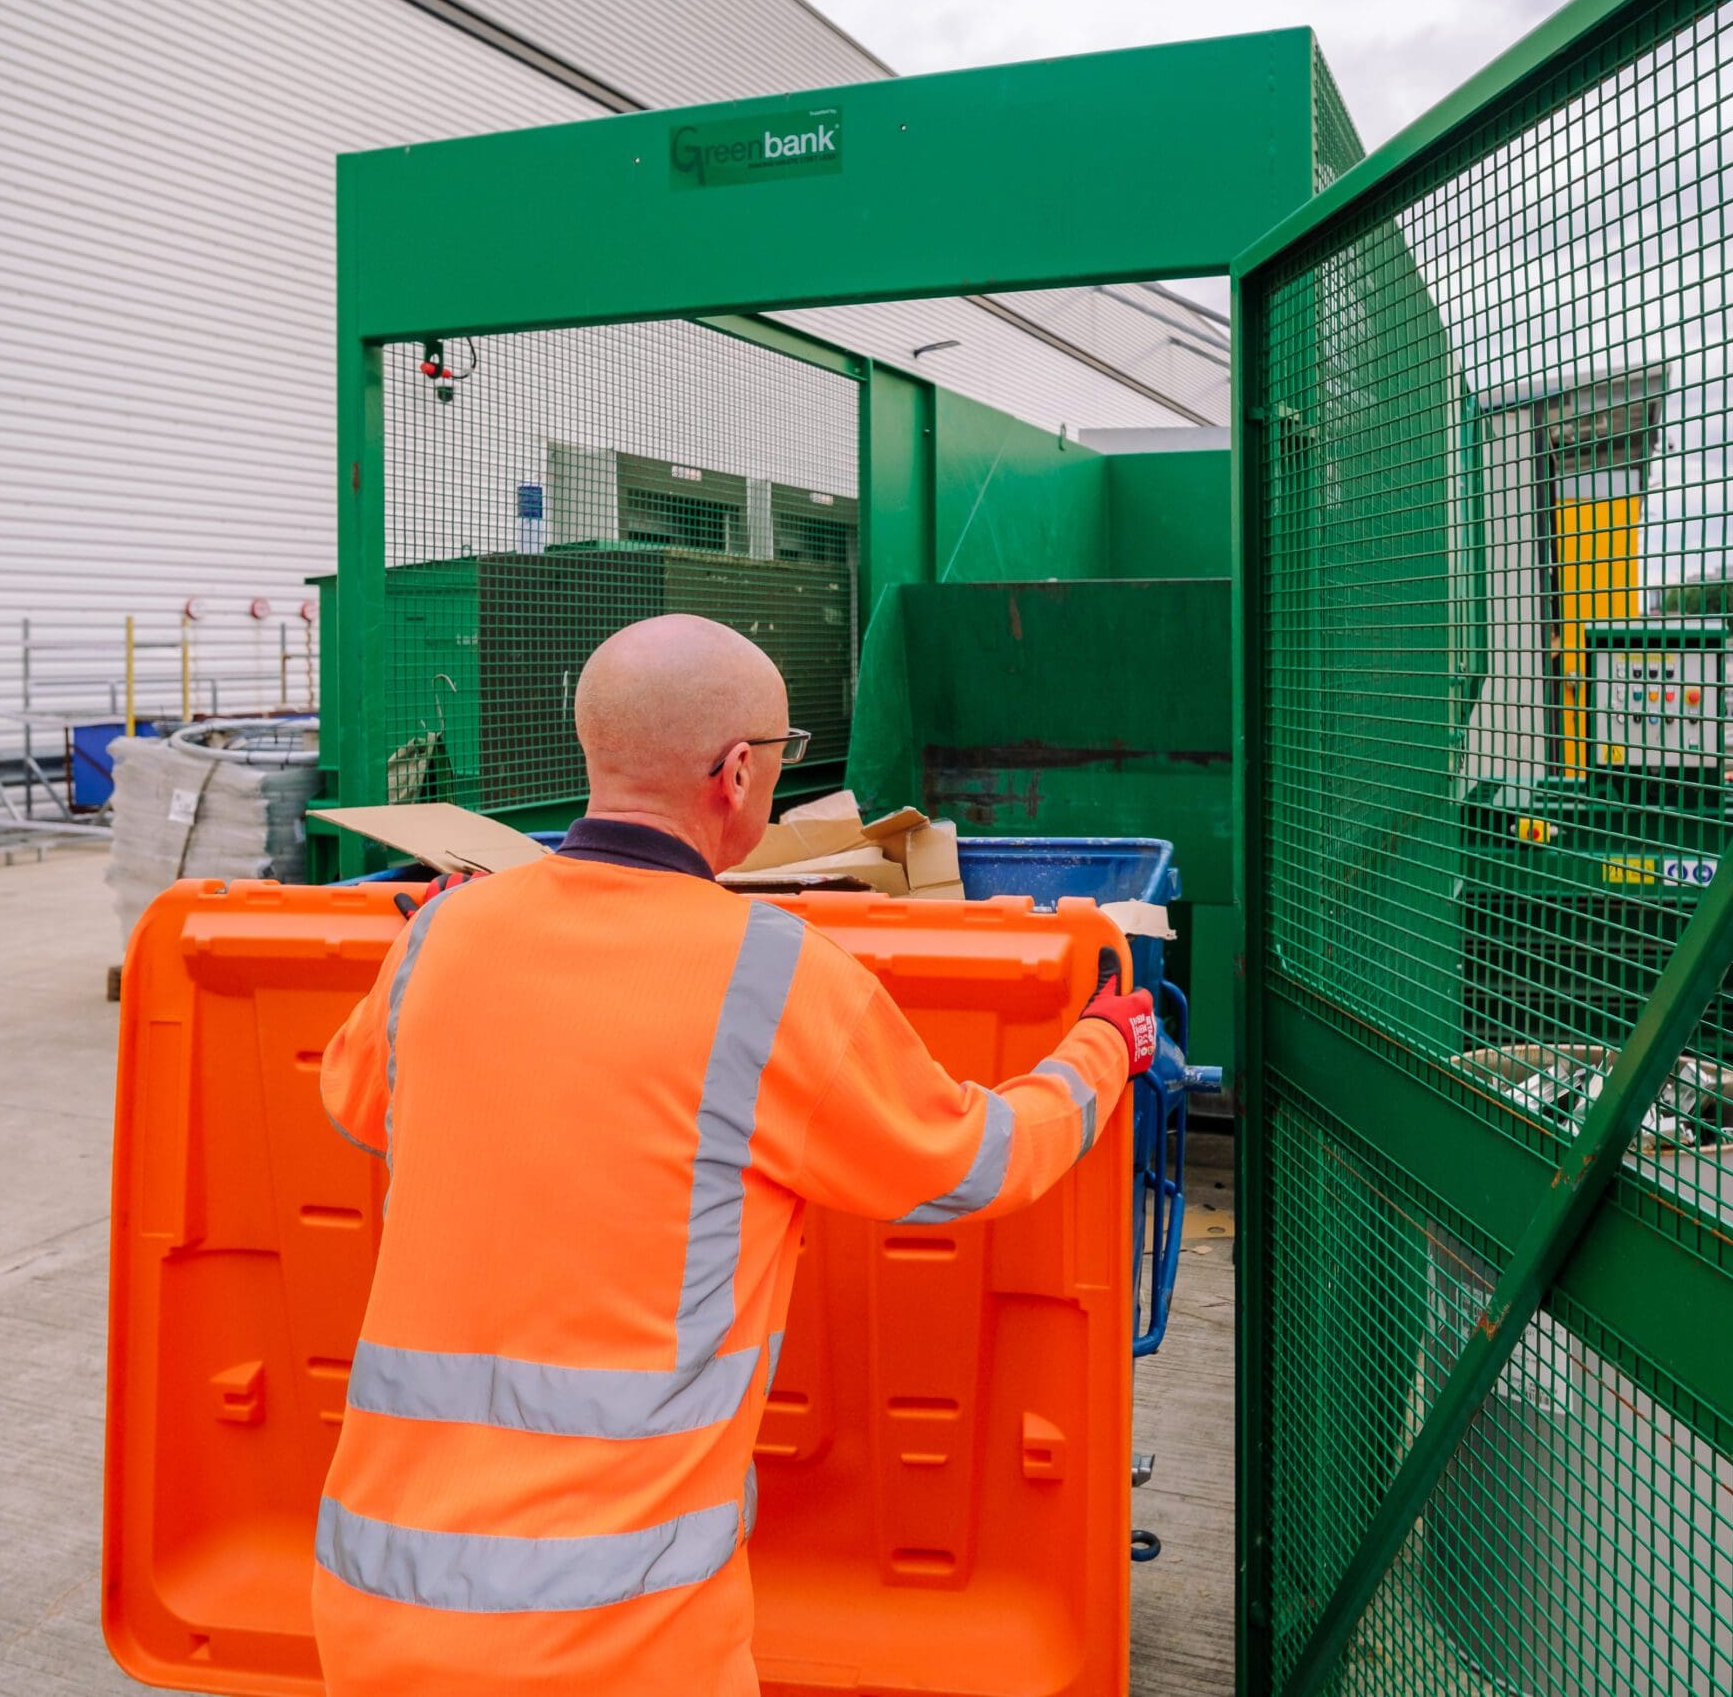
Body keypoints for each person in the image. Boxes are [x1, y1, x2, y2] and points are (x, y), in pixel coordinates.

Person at [311, 613, 1156, 1696]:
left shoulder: (444, 933)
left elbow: (357, 1100)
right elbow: (968, 1163)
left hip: (374, 1607)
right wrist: (1099, 1051)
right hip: (615, 1641)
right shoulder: (770, 976)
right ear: (739, 771)